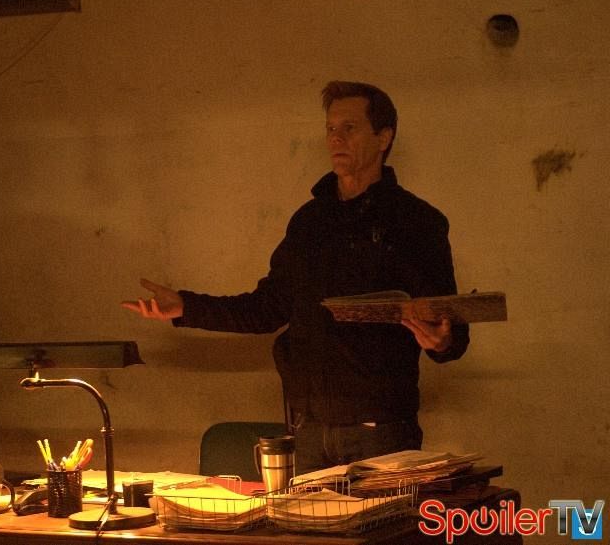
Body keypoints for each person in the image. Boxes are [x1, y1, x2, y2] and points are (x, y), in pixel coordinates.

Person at [122, 81, 469, 474]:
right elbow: (267, 308)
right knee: (303, 517)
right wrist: (186, 307)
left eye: (350, 128)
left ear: (383, 138)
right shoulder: (310, 221)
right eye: (330, 129)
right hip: (307, 429)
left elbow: (451, 327)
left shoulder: (416, 221)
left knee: (380, 518)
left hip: (381, 431)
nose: (336, 138)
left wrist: (443, 341)